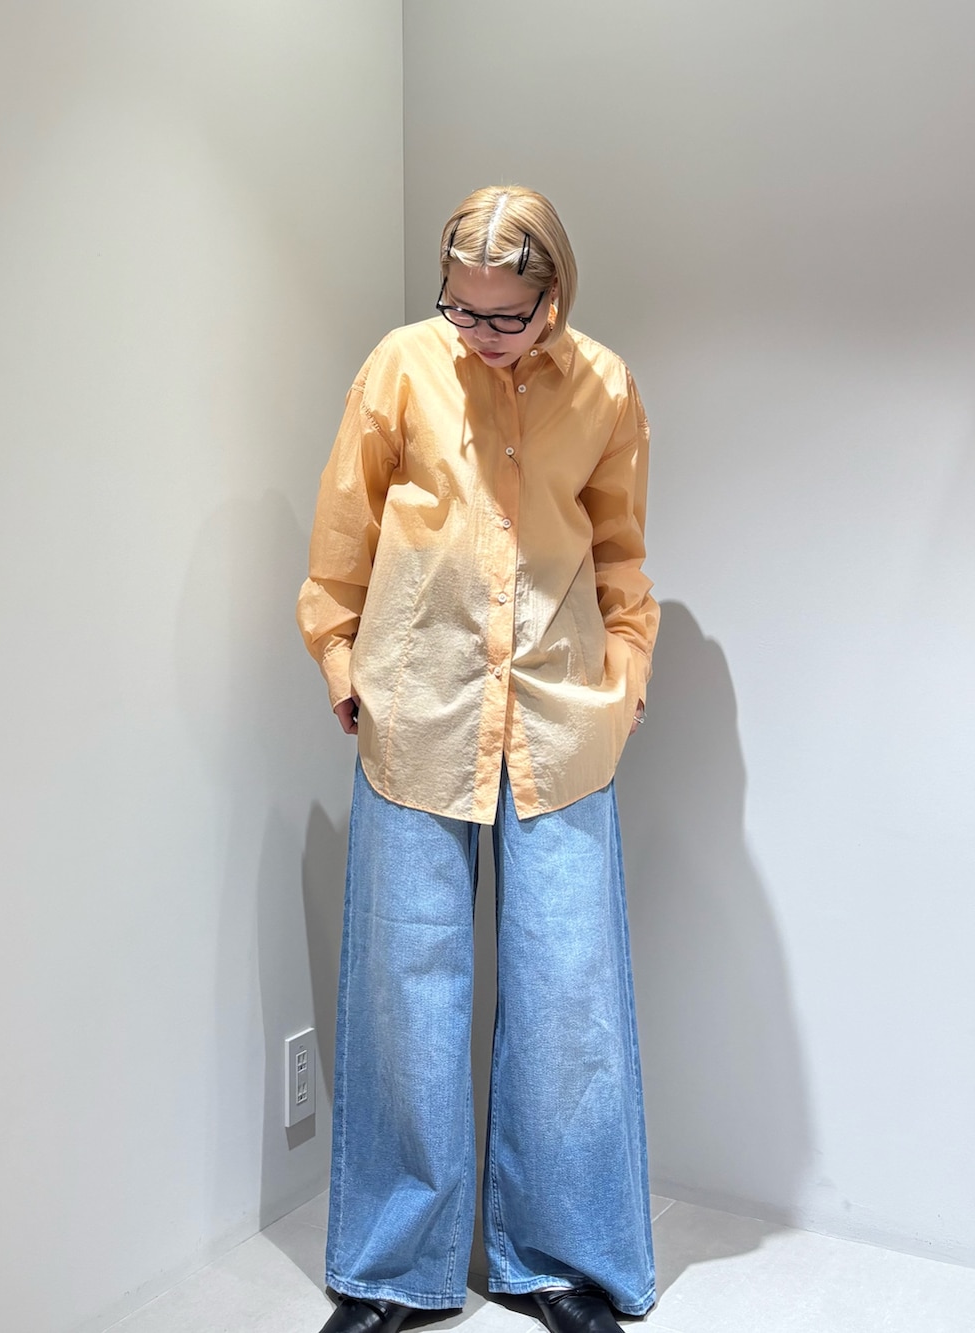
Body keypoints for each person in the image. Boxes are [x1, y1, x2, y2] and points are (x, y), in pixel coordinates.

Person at [297, 185, 660, 1333]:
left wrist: (624, 681)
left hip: (559, 718)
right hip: (419, 710)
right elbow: (344, 536)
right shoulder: (400, 368)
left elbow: (620, 550)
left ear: (554, 297)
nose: (479, 331)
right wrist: (341, 660)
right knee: (404, 997)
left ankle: (556, 1261)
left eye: (505, 314)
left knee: (567, 1000)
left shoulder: (605, 388)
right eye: (461, 306)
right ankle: (390, 1271)